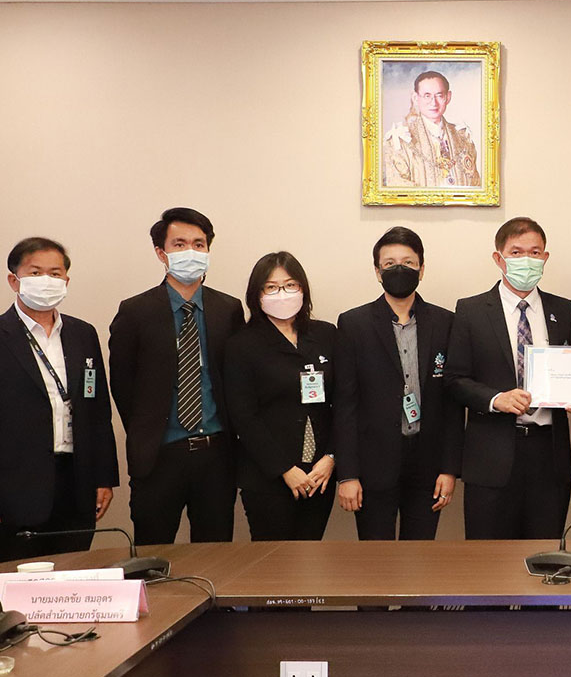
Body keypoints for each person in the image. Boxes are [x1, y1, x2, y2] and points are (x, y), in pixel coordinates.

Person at [109, 207, 245, 545]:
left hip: (216, 455)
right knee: (153, 555)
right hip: (159, 456)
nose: (191, 252)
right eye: (180, 244)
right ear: (161, 252)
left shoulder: (228, 309)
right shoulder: (135, 311)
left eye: (199, 244)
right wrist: (147, 430)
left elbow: (236, 380)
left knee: (215, 557)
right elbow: (122, 385)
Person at [445, 217, 571, 539]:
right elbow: (454, 379)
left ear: (545, 257)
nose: (526, 260)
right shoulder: (471, 310)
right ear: (499, 258)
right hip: (490, 455)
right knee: (487, 557)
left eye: (535, 252)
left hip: (548, 454)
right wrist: (495, 399)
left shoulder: (563, 309)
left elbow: (569, 370)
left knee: (544, 552)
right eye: (516, 253)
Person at [334, 227, 463, 540]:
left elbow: (452, 403)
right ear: (377, 272)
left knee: (420, 555)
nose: (399, 269)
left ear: (422, 269)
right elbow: (345, 404)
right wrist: (347, 474)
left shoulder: (445, 322)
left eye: (408, 262)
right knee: (375, 558)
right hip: (373, 464)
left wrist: (449, 469)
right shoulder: (353, 324)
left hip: (428, 463)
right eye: (390, 264)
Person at [0, 238, 118, 562]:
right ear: (14, 280)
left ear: (66, 280)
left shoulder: (83, 334)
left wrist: (104, 477)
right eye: (35, 272)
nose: (46, 281)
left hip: (77, 480)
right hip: (15, 487)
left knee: (73, 572)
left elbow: (97, 409)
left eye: (55, 273)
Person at [224, 252, 335, 541]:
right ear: (257, 294)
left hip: (320, 474)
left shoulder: (326, 335)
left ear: (303, 289)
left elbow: (343, 402)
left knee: (312, 557)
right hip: (268, 477)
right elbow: (243, 416)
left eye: (290, 285)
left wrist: (331, 457)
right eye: (271, 287)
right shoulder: (241, 345)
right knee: (274, 561)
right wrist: (285, 469)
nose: (282, 293)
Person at [382, 70, 480, 188]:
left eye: (439, 95)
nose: (433, 103)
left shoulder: (463, 139)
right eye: (427, 96)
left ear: (448, 97)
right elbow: (396, 186)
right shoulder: (400, 141)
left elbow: (476, 185)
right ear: (416, 98)